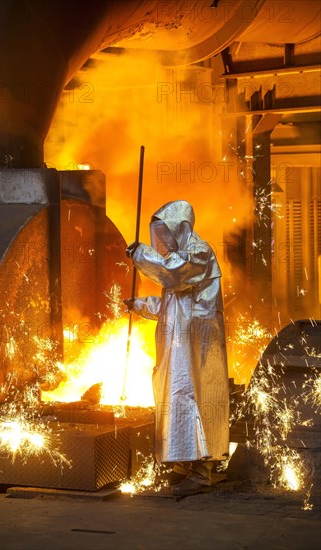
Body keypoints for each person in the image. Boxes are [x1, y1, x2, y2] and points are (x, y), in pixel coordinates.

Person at [124, 200, 229, 496]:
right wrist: (141, 305)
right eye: (158, 237)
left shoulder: (198, 253)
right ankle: (183, 462)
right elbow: (172, 303)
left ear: (180, 229)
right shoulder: (177, 261)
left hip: (198, 344)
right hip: (178, 345)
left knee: (199, 397)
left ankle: (204, 470)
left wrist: (141, 254)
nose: (162, 243)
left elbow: (173, 274)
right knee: (178, 399)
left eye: (165, 236)